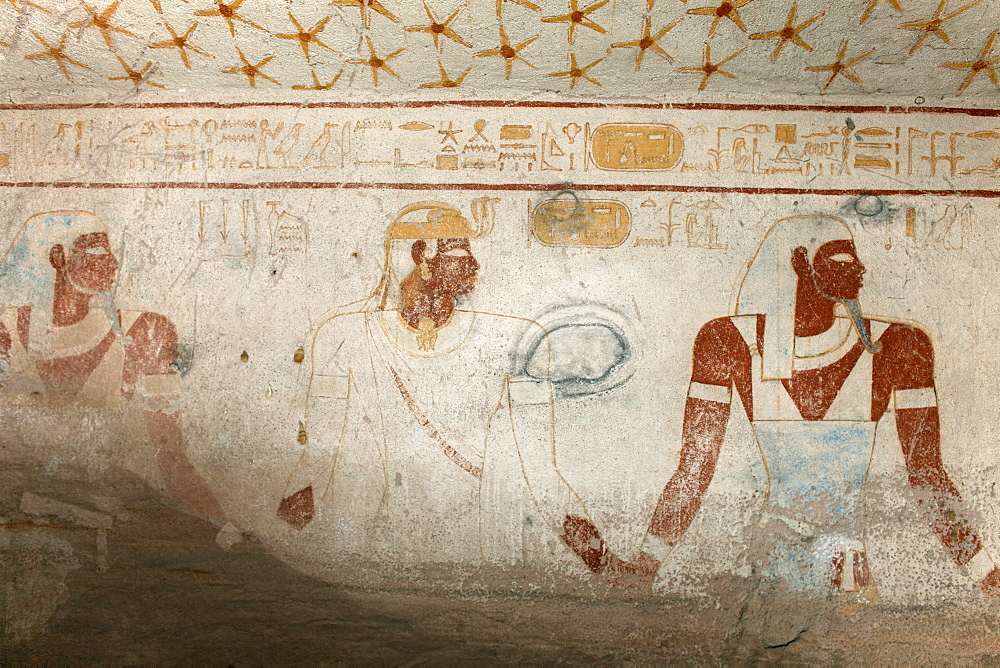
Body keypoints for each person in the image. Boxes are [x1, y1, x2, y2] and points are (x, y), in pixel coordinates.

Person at [577, 214, 1000, 595]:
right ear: (801, 263)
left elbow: (926, 474)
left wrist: (986, 575)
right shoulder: (727, 341)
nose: (860, 269)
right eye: (841, 260)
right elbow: (695, 468)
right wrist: (645, 568)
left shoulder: (900, 345)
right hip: (767, 560)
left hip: (844, 563)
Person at [278, 198, 640, 572]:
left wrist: (604, 563)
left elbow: (543, 476)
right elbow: (316, 460)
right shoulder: (344, 335)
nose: (476, 265)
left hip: (473, 542)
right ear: (421, 256)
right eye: (462, 254)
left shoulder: (511, 339)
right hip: (385, 543)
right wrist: (273, 549)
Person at [0, 210, 224, 522]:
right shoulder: (5, 333)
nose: (114, 264)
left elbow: (171, 458)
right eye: (98, 254)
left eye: (111, 254)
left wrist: (224, 528)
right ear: (58, 257)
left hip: (115, 515)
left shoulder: (147, 330)